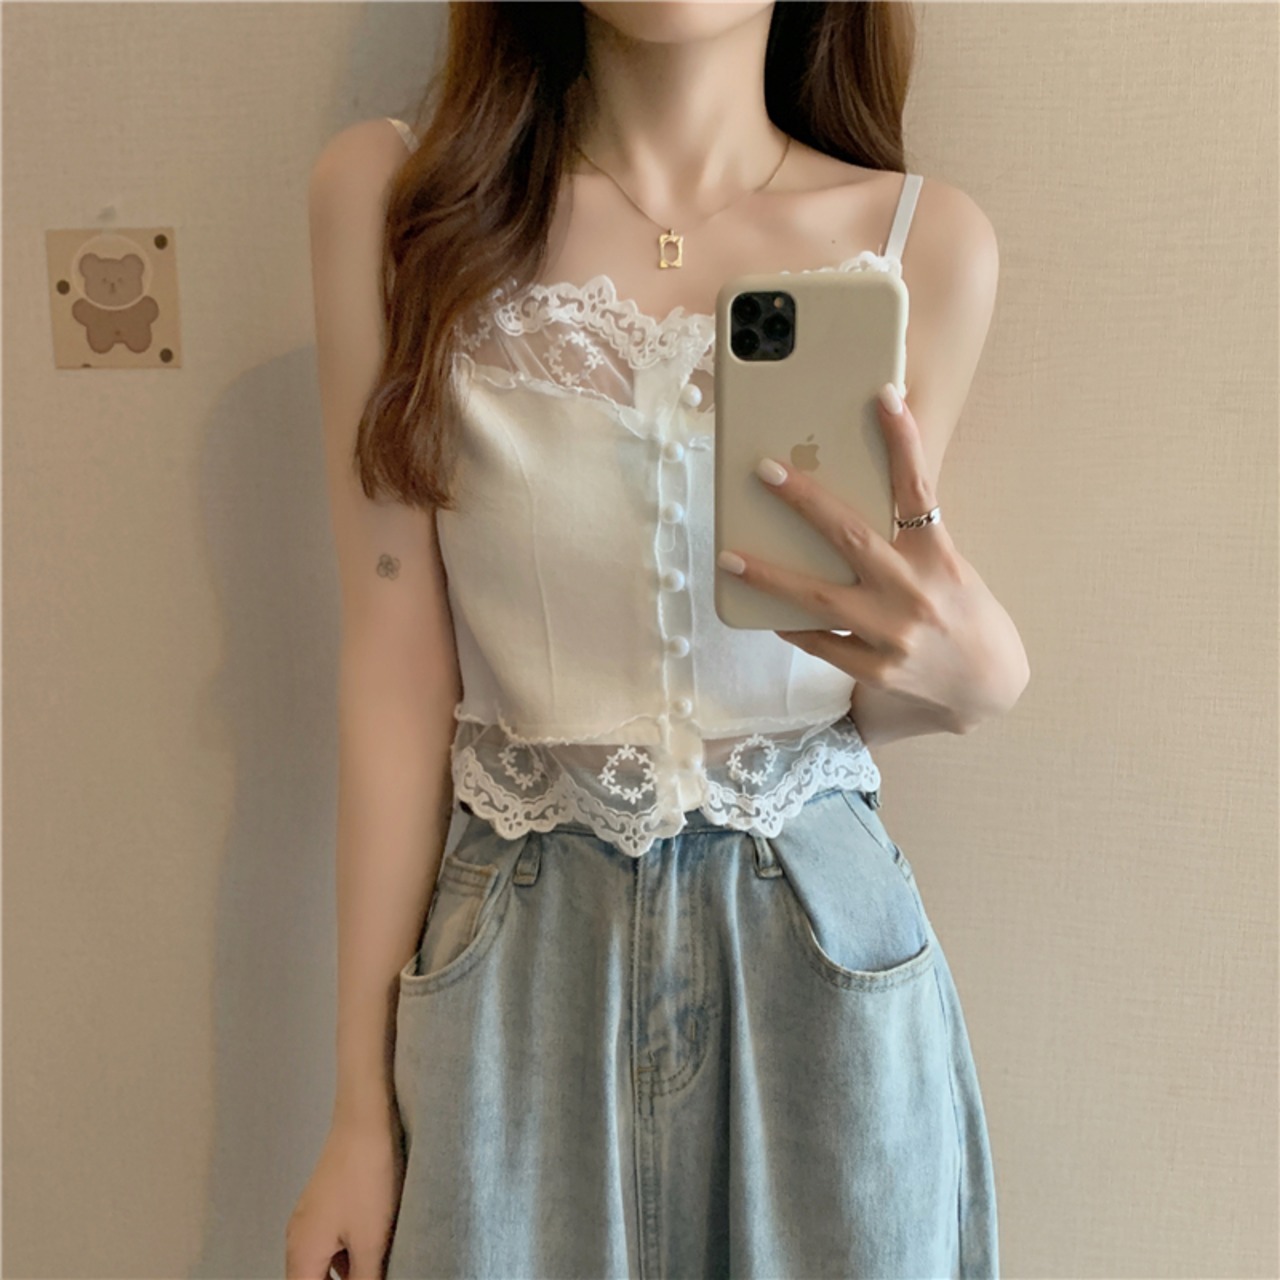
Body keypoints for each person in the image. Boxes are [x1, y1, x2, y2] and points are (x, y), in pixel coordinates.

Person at [289, 3, 1028, 1277]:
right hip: (517, 958)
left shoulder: (925, 243)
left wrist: (973, 677)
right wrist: (361, 1109)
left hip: (820, 952)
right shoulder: (396, 202)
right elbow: (396, 669)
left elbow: (824, 662)